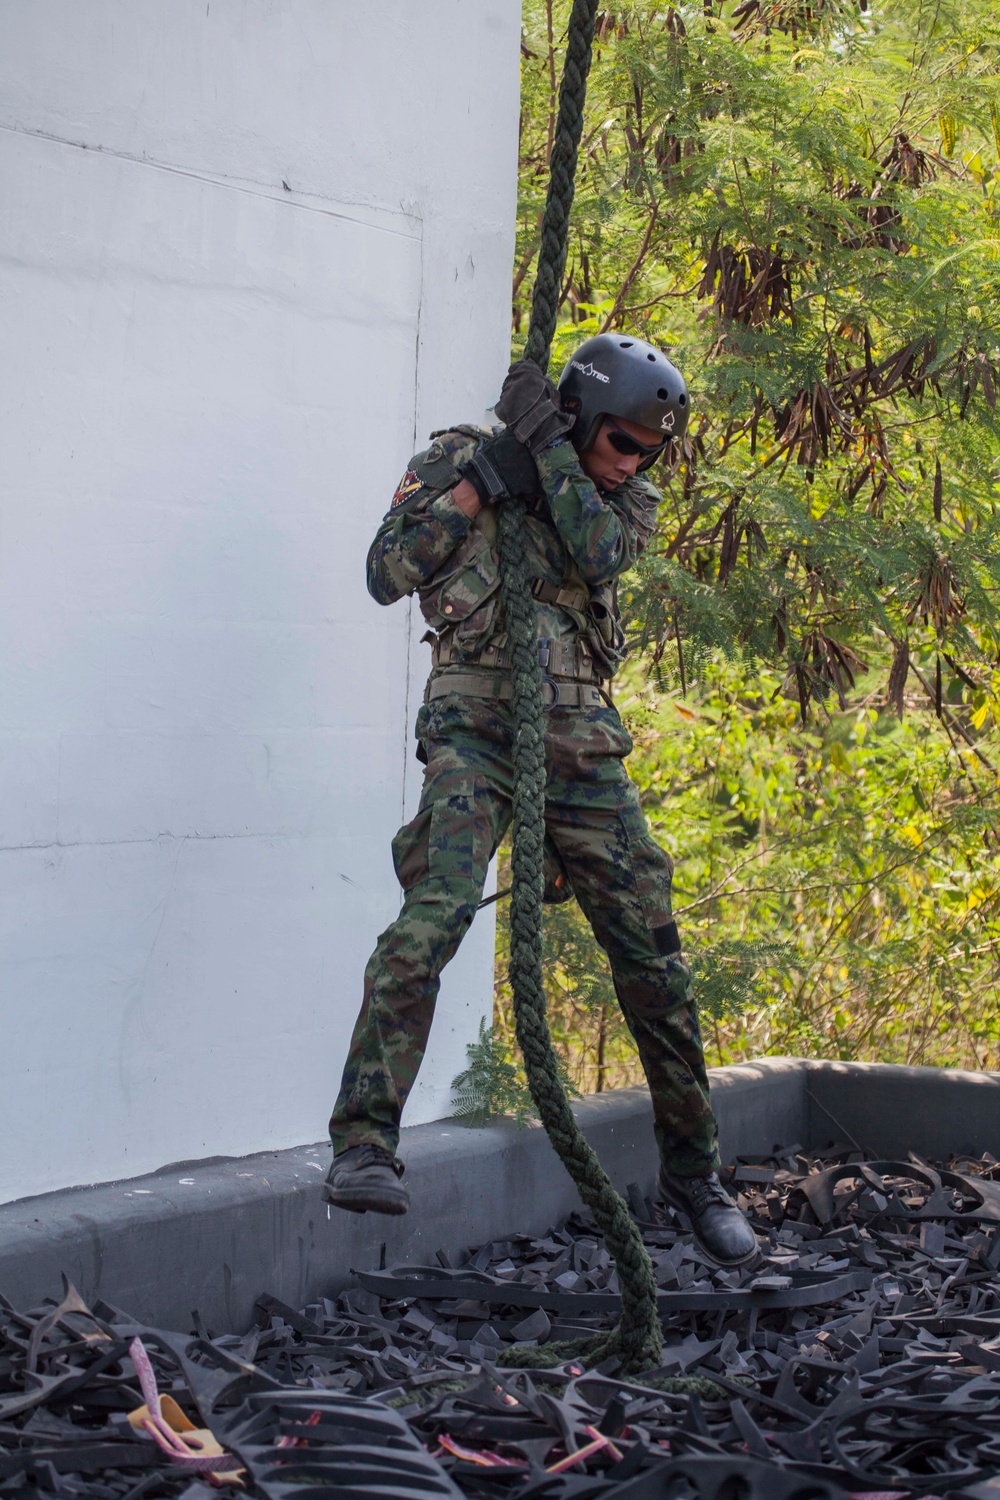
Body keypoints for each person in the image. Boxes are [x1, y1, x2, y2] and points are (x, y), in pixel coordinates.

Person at [323, 334, 757, 1268]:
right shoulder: (455, 458)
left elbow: (598, 555)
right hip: (476, 727)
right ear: (587, 414)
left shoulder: (616, 498)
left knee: (653, 957)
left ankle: (694, 1170)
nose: (635, 463)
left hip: (583, 743)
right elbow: (385, 572)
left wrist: (551, 453)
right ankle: (365, 1142)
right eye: (625, 442)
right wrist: (485, 477)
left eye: (648, 449)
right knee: (430, 919)